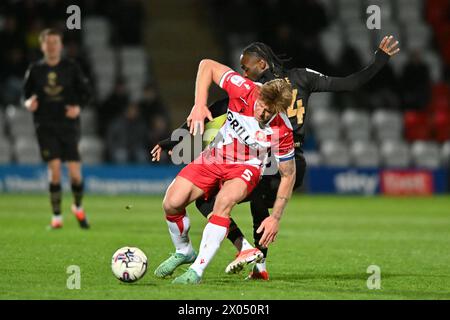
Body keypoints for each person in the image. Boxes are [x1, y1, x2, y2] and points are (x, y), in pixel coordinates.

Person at [152, 35, 400, 280]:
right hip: (254, 155)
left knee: (249, 200)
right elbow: (216, 108)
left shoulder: (295, 84)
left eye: (246, 67)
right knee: (205, 200)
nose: (244, 72)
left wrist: (379, 61)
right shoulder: (253, 89)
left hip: (286, 155)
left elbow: (347, 84)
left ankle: (254, 260)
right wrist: (177, 137)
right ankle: (248, 254)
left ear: (261, 64)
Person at [153, 58, 297, 284]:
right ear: (258, 95)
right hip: (215, 156)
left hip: (246, 167)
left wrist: (275, 218)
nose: (263, 114)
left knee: (223, 203)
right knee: (172, 202)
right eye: (262, 107)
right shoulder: (243, 88)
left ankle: (197, 271)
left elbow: (288, 174)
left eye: (270, 112)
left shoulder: (283, 129)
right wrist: (199, 104)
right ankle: (184, 251)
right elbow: (206, 65)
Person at [23, 28, 91, 229]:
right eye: (48, 42)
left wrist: (78, 107)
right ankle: (57, 218)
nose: (52, 46)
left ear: (60, 46)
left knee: (75, 174)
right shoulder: (35, 70)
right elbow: (25, 95)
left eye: (55, 42)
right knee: (54, 171)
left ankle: (77, 206)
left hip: (68, 126)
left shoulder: (71, 67)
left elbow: (86, 92)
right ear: (42, 45)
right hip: (44, 125)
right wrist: (28, 103)